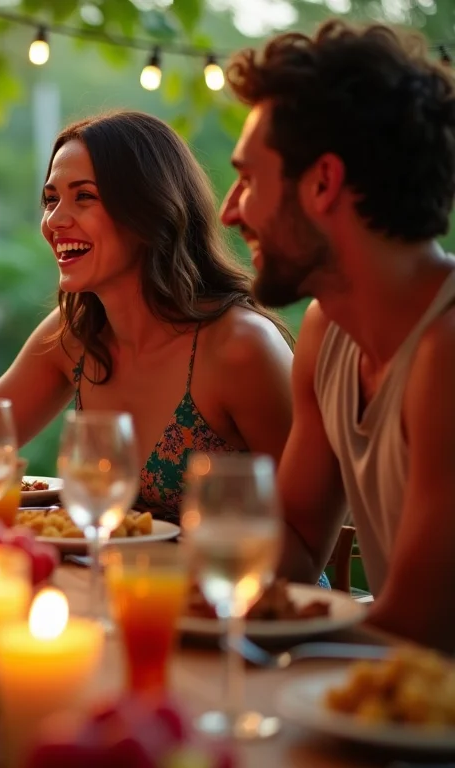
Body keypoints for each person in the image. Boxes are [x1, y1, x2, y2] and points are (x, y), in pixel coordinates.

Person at [0, 110, 295, 523]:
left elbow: (306, 541)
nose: (54, 221)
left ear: (149, 209)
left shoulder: (240, 347)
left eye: (84, 197)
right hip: (115, 585)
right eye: (51, 199)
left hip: (239, 589)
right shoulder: (74, 334)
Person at [220, 20, 455, 651]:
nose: (229, 210)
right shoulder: (328, 330)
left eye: (249, 179)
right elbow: (296, 538)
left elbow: (415, 630)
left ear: (323, 182)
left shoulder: (447, 351)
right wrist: (178, 588)